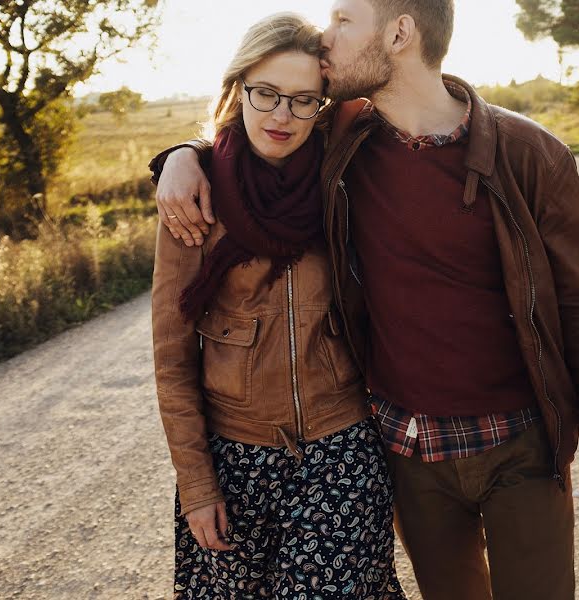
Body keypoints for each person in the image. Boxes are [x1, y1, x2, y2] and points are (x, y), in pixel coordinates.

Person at [151, 1, 579, 599]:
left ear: (401, 32)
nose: (325, 36)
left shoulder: (529, 153)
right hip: (406, 446)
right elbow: (252, 129)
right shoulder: (345, 145)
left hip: (521, 442)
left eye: (342, 20)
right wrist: (179, 157)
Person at [150, 12, 404, 599]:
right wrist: (197, 486)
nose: (281, 116)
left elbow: (408, 89)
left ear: (322, 105)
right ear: (238, 88)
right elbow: (172, 356)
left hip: (340, 451)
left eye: (302, 100)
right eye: (265, 93)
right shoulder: (195, 197)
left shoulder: (343, 175)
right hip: (233, 459)